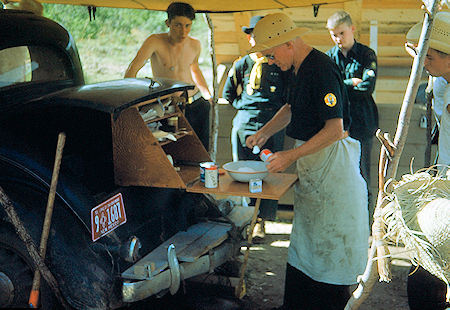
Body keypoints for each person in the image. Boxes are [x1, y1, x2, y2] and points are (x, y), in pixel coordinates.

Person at [246, 13, 369, 309]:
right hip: (314, 168)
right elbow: (291, 107)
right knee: (305, 247)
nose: (270, 61)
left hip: (334, 167)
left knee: (330, 254)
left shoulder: (321, 69)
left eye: (271, 54)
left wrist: (290, 155)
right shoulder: (296, 67)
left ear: (288, 43)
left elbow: (335, 130)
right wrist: (263, 132)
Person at [222, 15, 286, 239]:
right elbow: (228, 93)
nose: (254, 41)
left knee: (268, 171)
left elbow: (288, 98)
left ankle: (263, 220)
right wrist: (244, 107)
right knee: (242, 172)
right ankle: (247, 217)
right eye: (251, 36)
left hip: (272, 122)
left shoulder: (278, 63)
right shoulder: (242, 63)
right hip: (245, 122)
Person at [405, 11, 450, 310]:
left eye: (429, 57)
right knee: (421, 280)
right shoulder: (441, 83)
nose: (424, 64)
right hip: (444, 185)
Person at [124, 2, 212, 150]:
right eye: (178, 25)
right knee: (170, 149)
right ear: (168, 23)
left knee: (200, 150)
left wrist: (208, 94)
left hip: (196, 102)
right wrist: (130, 102)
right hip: (169, 104)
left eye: (187, 25)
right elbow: (132, 69)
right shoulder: (155, 41)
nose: (183, 31)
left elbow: (195, 69)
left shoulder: (195, 44)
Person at [326, 11, 379, 223]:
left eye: (342, 33)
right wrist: (349, 83)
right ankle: (341, 220)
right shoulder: (329, 57)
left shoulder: (367, 55)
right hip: (336, 124)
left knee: (362, 175)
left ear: (352, 29)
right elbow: (328, 90)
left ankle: (364, 224)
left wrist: (340, 86)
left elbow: (367, 87)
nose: (338, 39)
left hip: (363, 123)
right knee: (337, 175)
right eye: (334, 34)